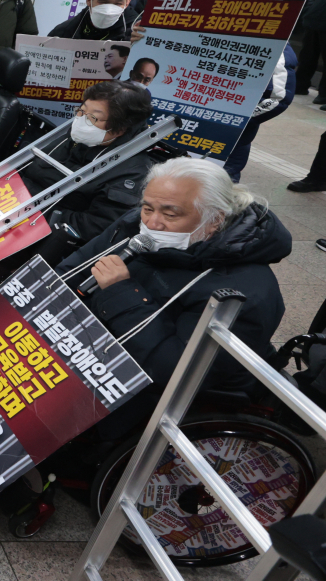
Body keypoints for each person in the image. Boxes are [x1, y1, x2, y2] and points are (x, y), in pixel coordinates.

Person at [57, 158, 291, 424]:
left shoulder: (244, 291)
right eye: (147, 208)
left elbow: (172, 371)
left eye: (170, 215)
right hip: (92, 349)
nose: (153, 223)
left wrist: (120, 292)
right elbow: (70, 269)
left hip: (151, 393)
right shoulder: (136, 225)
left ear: (214, 220)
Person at [22, 81, 155, 258]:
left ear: (120, 129)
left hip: (43, 236)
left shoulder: (132, 172)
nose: (82, 120)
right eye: (82, 111)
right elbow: (26, 170)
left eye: (93, 118)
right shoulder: (71, 138)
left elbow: (94, 226)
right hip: (14, 210)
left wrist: (29, 211)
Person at [225, 45, 297, 182]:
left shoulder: (277, 47)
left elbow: (278, 99)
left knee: (219, 183)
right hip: (191, 122)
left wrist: (240, 118)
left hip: (233, 131)